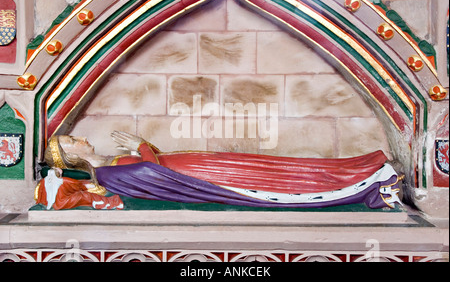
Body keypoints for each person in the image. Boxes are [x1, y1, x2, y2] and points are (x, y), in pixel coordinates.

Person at [35, 131, 403, 210]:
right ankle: (366, 182)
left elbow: (156, 168)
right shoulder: (108, 175)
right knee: (282, 178)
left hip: (199, 165)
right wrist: (141, 145)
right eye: (72, 141)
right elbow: (154, 174)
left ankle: (360, 170)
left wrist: (145, 149)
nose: (81, 139)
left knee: (279, 166)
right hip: (203, 175)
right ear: (68, 158)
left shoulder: (110, 169)